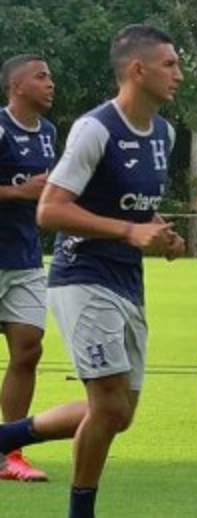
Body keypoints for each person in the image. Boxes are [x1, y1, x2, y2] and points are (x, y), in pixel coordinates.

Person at [0, 24, 184, 517]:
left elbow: (136, 208)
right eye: (170, 64)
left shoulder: (164, 133)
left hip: (128, 281)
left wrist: (160, 234)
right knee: (106, 404)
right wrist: (127, 232)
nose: (179, 75)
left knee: (119, 413)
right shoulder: (95, 128)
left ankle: (7, 437)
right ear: (137, 69)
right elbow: (51, 211)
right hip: (81, 275)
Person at [0, 54, 57, 481]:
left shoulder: (50, 133)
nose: (50, 83)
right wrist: (19, 194)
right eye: (41, 77)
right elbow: (25, 192)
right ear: (17, 86)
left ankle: (10, 453)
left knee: (28, 350)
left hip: (25, 258)